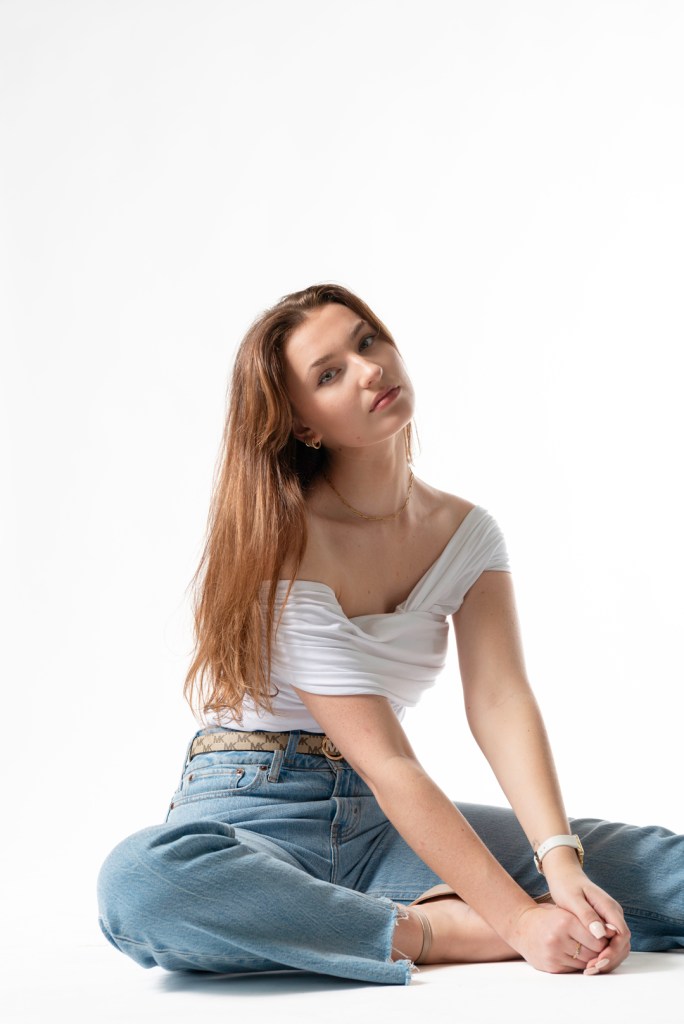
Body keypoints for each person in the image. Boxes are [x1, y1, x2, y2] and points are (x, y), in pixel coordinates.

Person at [97, 283, 683, 985]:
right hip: (255, 814)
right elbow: (389, 762)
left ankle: (336, 921)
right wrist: (517, 922)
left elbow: (500, 700)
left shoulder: (466, 534)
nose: (369, 369)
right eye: (329, 373)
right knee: (142, 884)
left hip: (385, 825)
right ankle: (430, 928)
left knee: (659, 869)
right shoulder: (284, 545)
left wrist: (561, 862)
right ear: (303, 425)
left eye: (367, 340)